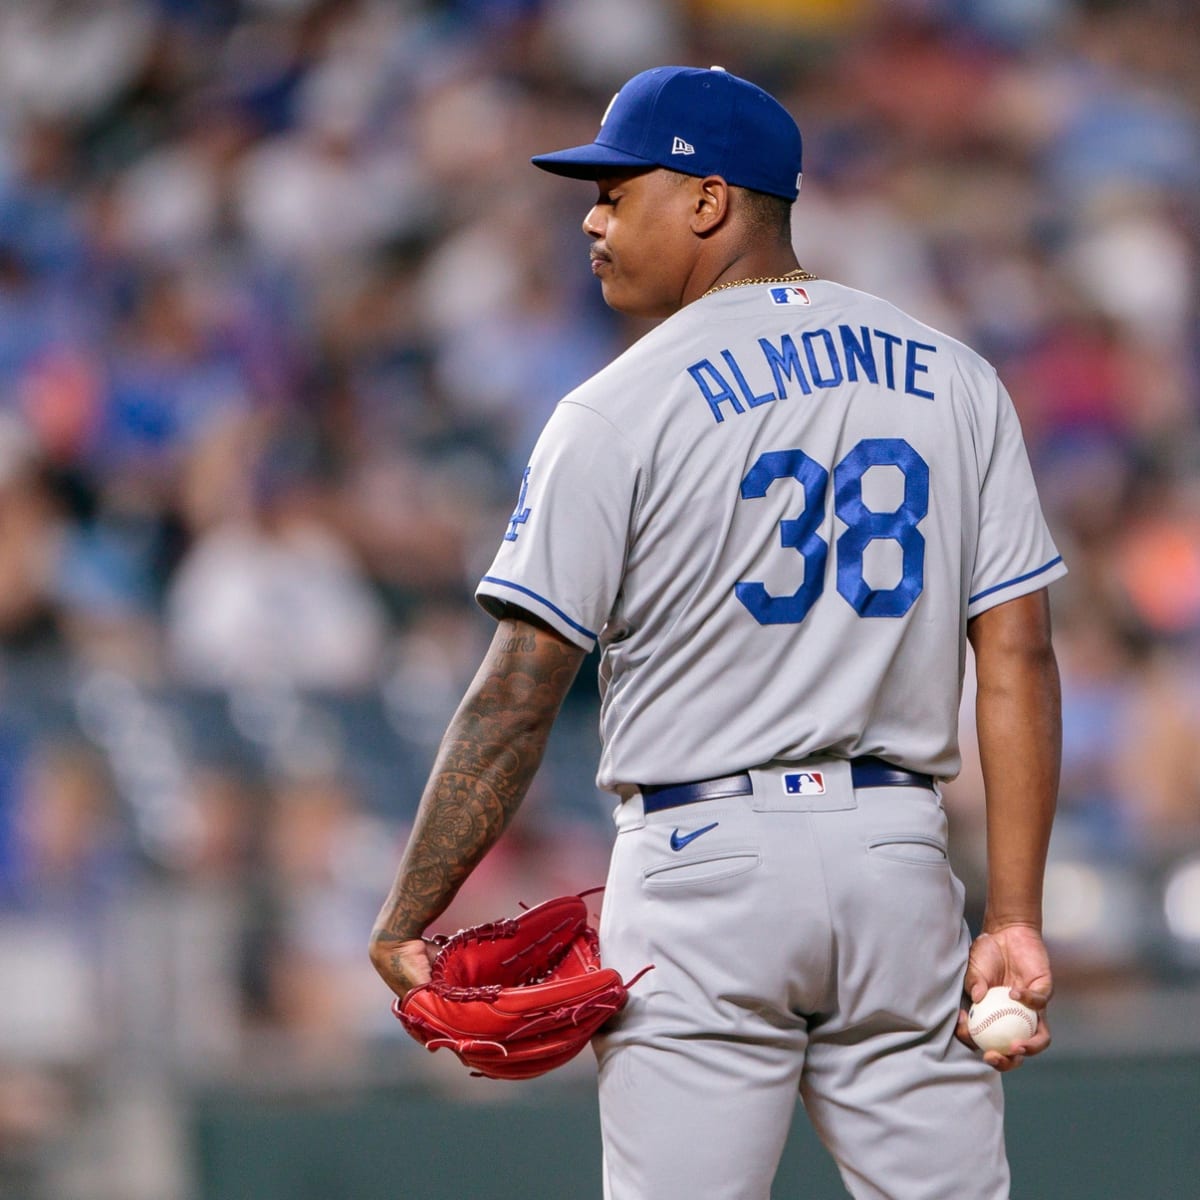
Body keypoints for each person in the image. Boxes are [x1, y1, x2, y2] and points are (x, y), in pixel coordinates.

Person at [370, 64, 1064, 1200]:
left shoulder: (619, 405)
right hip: (901, 861)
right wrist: (1018, 916)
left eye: (615, 188)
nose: (591, 219)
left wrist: (409, 915)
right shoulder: (955, 377)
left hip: (704, 865)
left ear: (706, 201)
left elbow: (518, 691)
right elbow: (1020, 655)